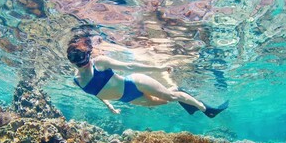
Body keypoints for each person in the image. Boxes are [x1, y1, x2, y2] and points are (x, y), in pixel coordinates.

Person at [67, 36, 228, 118]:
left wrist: (158, 68)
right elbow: (97, 93)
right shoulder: (77, 81)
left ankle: (206, 109)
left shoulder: (100, 62)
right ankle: (184, 98)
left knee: (171, 96)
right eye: (81, 62)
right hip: (128, 99)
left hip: (135, 83)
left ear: (89, 55)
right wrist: (109, 106)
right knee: (165, 100)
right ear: (74, 63)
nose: (85, 63)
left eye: (86, 58)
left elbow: (130, 66)